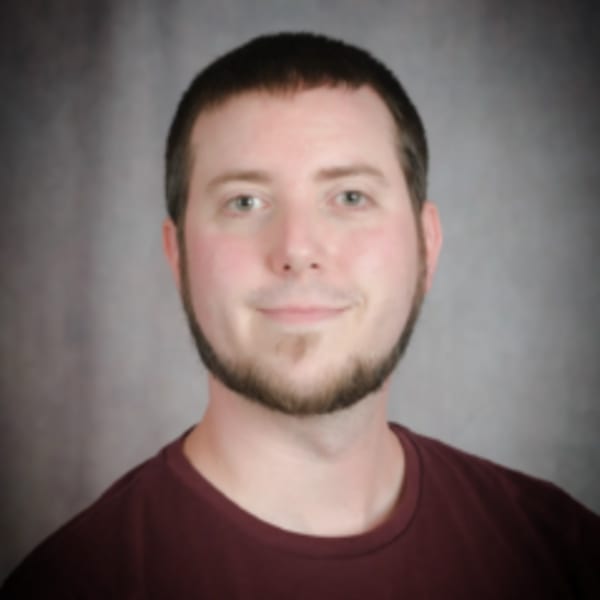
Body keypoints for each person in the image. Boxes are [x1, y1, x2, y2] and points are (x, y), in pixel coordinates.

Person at [2, 32, 599, 599]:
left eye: (350, 197)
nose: (296, 249)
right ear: (177, 254)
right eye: (244, 202)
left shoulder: (561, 553)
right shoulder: (72, 585)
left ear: (427, 246)